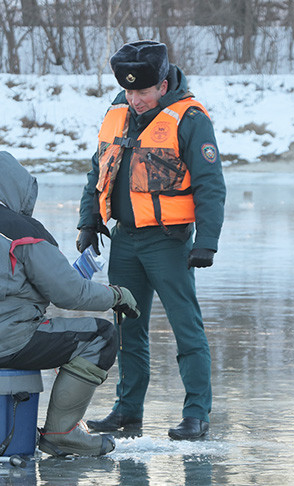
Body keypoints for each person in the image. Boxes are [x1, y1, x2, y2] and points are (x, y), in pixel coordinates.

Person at [0, 151, 141, 457]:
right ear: (18, 188)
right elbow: (70, 294)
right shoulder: (24, 231)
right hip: (10, 342)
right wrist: (116, 295)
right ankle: (61, 433)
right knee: (100, 337)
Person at [77, 40, 226, 440]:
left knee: (186, 328)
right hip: (124, 241)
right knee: (126, 330)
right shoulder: (118, 113)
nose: (135, 99)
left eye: (143, 91)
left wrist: (206, 242)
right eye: (129, 91)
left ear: (162, 85)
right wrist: (88, 222)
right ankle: (128, 411)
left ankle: (196, 413)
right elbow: (98, 171)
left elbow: (211, 184)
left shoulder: (190, 119)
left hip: (170, 242)